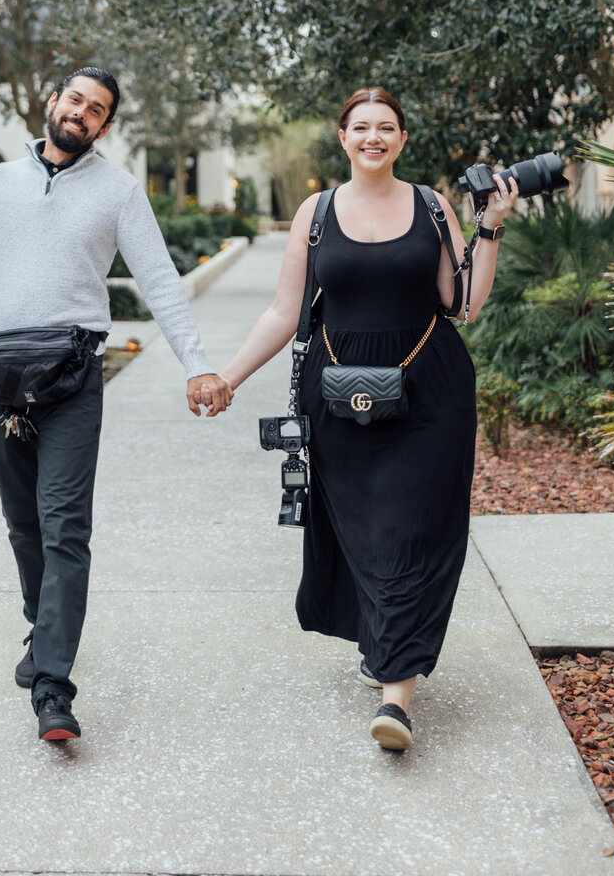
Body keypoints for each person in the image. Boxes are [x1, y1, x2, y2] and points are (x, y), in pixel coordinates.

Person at [0, 66, 231, 743]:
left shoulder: (118, 192)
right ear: (53, 102)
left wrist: (197, 365)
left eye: (97, 110)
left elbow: (160, 282)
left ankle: (54, 686)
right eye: (75, 100)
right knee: (23, 526)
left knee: (64, 529)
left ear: (105, 126)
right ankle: (43, 624)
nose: (81, 114)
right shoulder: (0, 181)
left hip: (70, 379)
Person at [205, 87, 516, 751]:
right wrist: (228, 377)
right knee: (366, 530)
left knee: (409, 528)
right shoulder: (316, 214)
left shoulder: (431, 208)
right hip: (340, 399)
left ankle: (396, 697)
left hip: (429, 394)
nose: (374, 137)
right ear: (342, 138)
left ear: (402, 139)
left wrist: (488, 227)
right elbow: (284, 311)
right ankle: (387, 643)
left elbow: (461, 304)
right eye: (361, 127)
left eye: (387, 127)